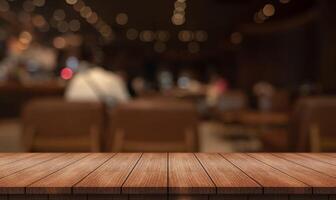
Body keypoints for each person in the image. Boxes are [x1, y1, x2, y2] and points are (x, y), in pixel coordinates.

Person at [65, 48, 130, 106]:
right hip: (104, 119)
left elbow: (68, 102)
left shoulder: (76, 79)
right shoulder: (114, 79)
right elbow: (125, 106)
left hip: (77, 118)